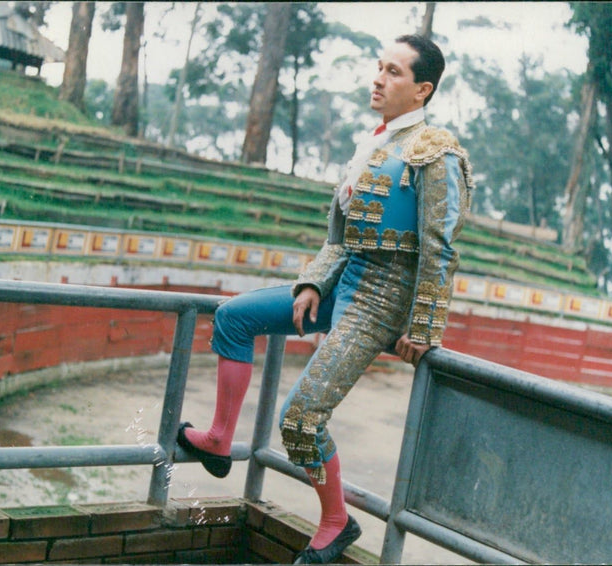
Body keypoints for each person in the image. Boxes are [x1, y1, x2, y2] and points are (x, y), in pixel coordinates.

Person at [178, 33, 474, 564]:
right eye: (379, 67)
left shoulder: (436, 152)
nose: (379, 78)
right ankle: (220, 440)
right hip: (341, 285)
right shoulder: (376, 144)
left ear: (423, 90)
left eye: (395, 72)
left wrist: (424, 328)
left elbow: (439, 249)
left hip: (379, 302)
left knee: (300, 420)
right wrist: (313, 281)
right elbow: (339, 239)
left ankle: (336, 520)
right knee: (233, 318)